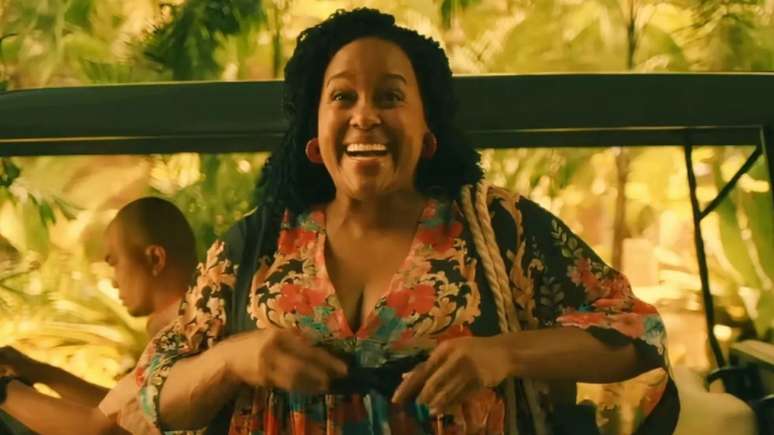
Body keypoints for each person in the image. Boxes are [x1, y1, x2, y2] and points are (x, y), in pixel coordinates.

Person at [136, 8, 679, 435]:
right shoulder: (255, 243)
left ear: (426, 130)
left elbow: (638, 333)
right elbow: (155, 393)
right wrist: (237, 358)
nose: (365, 115)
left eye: (390, 96)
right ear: (314, 133)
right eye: (342, 96)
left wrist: (502, 355)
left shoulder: (500, 228)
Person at [0, 197, 197, 435]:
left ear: (155, 258)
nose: (114, 282)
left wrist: (4, 391)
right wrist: (38, 370)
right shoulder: (191, 327)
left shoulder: (183, 340)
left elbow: (97, 428)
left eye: (115, 263)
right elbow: (120, 412)